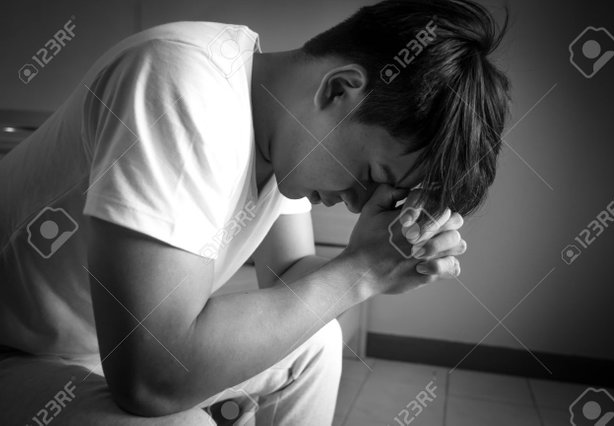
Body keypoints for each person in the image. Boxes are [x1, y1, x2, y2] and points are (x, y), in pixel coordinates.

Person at [0, 0, 510, 424]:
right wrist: (359, 274)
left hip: (96, 347)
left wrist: (381, 255)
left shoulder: (275, 125)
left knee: (318, 344)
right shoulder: (180, 80)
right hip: (20, 350)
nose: (358, 202)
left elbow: (288, 276)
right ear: (339, 89)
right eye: (373, 175)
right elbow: (151, 378)